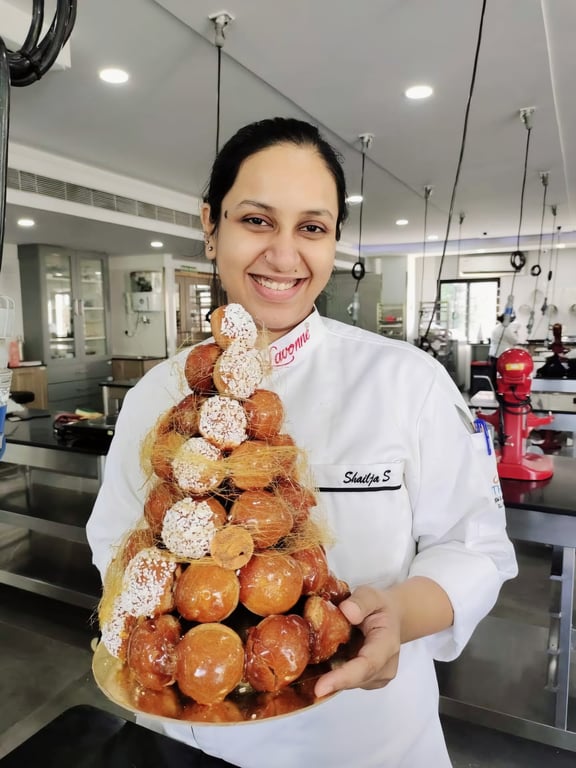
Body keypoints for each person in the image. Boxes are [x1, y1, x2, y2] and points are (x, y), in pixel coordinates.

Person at [86, 117, 517, 768]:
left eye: (311, 228)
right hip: (184, 741)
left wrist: (397, 614)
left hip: (366, 745)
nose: (284, 255)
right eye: (256, 220)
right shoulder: (158, 394)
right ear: (211, 226)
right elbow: (113, 539)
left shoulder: (408, 383)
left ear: (334, 241)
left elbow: (476, 548)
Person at [488, 313, 520, 388]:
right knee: (504, 375)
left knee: (494, 375)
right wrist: (516, 332)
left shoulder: (495, 328)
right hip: (503, 356)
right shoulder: (507, 329)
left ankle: (495, 391)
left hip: (493, 354)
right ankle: (502, 391)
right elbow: (515, 341)